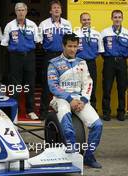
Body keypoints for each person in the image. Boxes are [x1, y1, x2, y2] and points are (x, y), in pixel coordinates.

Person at [48, 33, 103, 168]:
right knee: (67, 126)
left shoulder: (82, 63)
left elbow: (88, 83)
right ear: (63, 46)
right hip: (61, 99)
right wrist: (69, 99)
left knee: (98, 125)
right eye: (69, 46)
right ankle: (71, 154)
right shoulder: (54, 63)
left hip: (80, 100)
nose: (72, 49)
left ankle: (89, 156)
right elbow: (53, 86)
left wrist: (83, 100)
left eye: (75, 46)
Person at [1, 2, 40, 120]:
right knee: (15, 84)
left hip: (29, 56)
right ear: (15, 11)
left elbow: (37, 41)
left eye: (23, 10)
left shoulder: (33, 25)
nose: (21, 12)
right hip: (15, 57)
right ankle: (15, 109)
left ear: (26, 11)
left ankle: (30, 110)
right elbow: (4, 43)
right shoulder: (10, 25)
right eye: (18, 10)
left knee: (30, 84)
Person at [38, 0, 72, 120]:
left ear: (61, 10)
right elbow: (39, 41)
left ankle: (64, 111)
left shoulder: (67, 24)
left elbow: (70, 41)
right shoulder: (43, 24)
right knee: (47, 84)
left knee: (64, 83)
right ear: (50, 11)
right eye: (54, 8)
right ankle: (43, 111)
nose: (56, 9)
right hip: (49, 56)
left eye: (58, 8)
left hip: (64, 56)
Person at [101, 10, 128, 121]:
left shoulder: (126, 33)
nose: (117, 19)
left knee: (122, 88)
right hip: (109, 62)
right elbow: (101, 49)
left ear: (122, 18)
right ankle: (106, 112)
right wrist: (108, 58)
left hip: (122, 62)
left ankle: (121, 112)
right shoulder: (104, 32)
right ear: (111, 18)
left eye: (119, 17)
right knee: (107, 88)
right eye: (115, 17)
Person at [74, 12, 104, 110]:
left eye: (88, 19)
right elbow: (72, 50)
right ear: (80, 21)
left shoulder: (97, 34)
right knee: (78, 86)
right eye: (84, 19)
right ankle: (78, 108)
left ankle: (92, 108)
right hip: (79, 63)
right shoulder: (75, 34)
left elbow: (100, 51)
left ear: (90, 20)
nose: (86, 21)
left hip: (91, 63)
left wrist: (91, 57)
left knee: (92, 86)